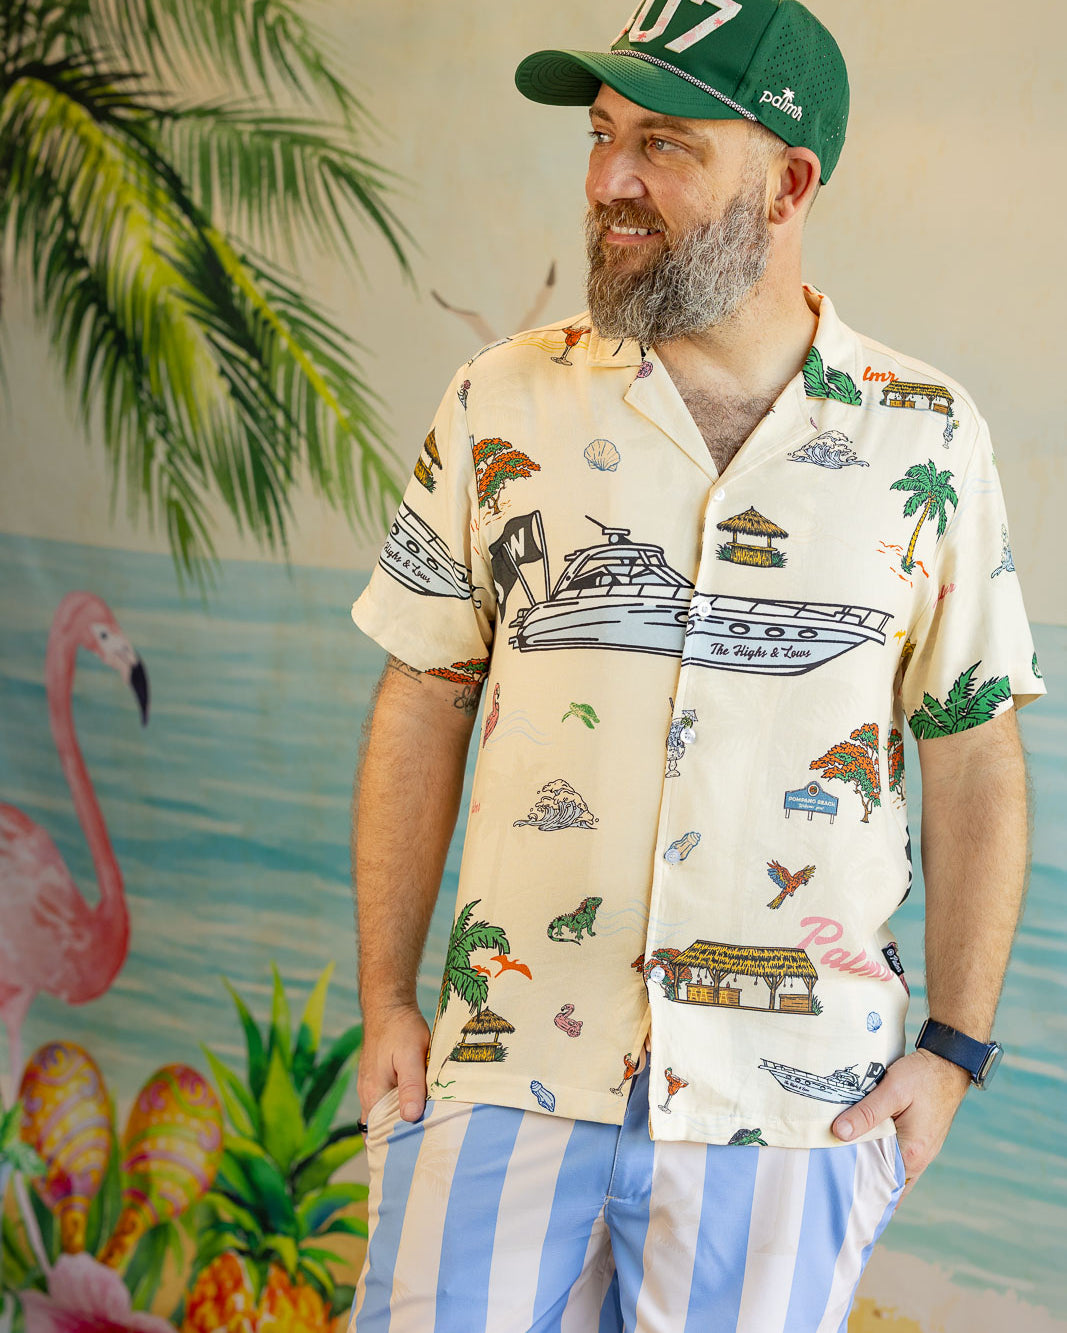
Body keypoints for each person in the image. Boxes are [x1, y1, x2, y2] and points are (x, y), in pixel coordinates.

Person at [347, 2, 1045, 1329]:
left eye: (662, 144)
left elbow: (972, 752)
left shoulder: (927, 439)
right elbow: (425, 693)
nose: (610, 178)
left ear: (788, 184)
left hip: (793, 1112)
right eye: (604, 136)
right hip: (502, 1074)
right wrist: (387, 995)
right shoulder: (501, 402)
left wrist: (955, 1046)